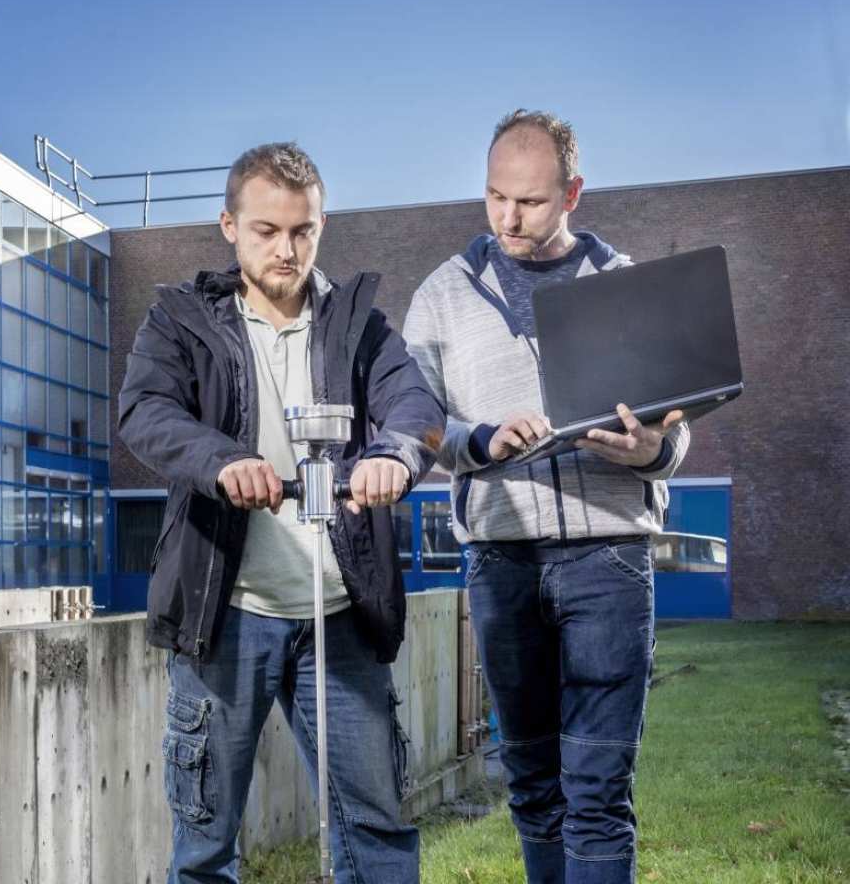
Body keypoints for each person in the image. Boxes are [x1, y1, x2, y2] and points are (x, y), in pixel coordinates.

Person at [119, 141, 444, 884]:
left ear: (320, 227)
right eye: (267, 230)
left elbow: (416, 406)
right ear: (229, 226)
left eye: (303, 231)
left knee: (377, 833)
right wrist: (221, 460)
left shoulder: (359, 324)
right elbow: (145, 411)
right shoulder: (179, 318)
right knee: (205, 848)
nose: (287, 249)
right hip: (226, 614)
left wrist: (395, 454)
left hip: (339, 616)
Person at [402, 109, 690, 884]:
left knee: (597, 792)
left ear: (573, 193)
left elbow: (674, 420)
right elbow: (413, 424)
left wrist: (655, 451)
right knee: (533, 787)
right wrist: (478, 440)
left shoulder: (622, 282)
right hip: (502, 561)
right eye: (495, 196)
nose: (508, 217)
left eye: (528, 201)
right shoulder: (442, 296)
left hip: (609, 559)